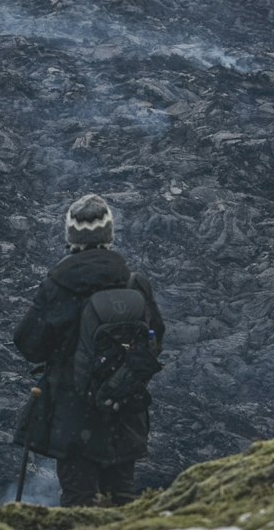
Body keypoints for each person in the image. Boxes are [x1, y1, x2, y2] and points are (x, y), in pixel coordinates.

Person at [12, 193, 164, 506]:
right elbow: (155, 339)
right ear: (109, 235)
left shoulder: (58, 286)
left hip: (74, 414)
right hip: (125, 409)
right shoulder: (135, 283)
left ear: (71, 237)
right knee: (122, 497)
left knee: (79, 500)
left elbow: (29, 344)